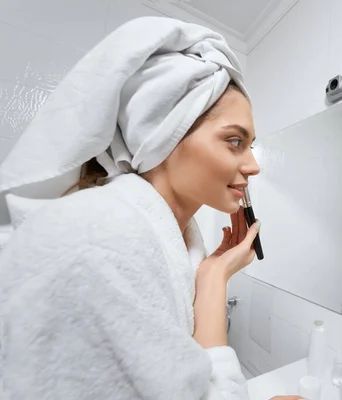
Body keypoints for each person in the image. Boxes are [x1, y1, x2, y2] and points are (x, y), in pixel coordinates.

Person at [0, 17, 301, 400]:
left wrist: (213, 275)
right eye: (234, 141)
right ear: (166, 133)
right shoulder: (98, 241)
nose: (254, 166)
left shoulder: (179, 243)